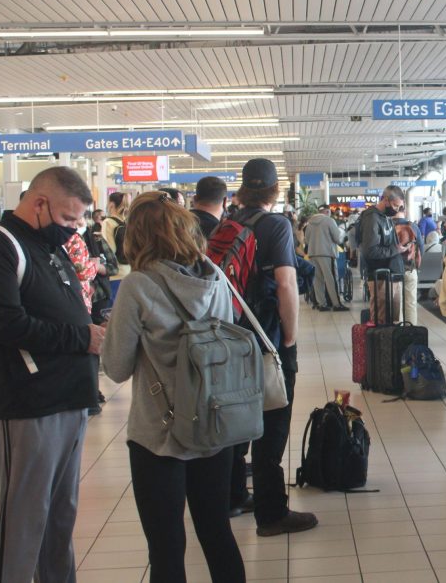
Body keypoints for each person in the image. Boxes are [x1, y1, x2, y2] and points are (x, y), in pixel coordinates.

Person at [101, 192, 246, 583]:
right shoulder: (215, 278)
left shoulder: (138, 286)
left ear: (138, 237)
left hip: (158, 434)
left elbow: (115, 367)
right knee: (217, 533)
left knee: (166, 547)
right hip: (214, 426)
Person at [0, 167, 105, 583]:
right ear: (39, 204)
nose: (74, 228)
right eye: (68, 219)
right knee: (26, 515)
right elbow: (6, 325)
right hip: (30, 399)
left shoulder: (50, 245)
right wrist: (81, 338)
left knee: (61, 512)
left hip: (71, 395)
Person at [225, 158, 315, 536]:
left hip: (229, 339)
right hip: (265, 339)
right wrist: (289, 343)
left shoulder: (228, 224)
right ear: (275, 190)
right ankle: (272, 512)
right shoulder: (275, 225)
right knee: (272, 422)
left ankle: (232, 497)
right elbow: (286, 285)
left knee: (237, 424)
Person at [359, 186, 411, 324]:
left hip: (393, 274)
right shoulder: (372, 218)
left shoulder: (386, 217)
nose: (396, 210)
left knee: (394, 320)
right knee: (381, 321)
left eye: (399, 207)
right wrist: (396, 249)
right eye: (395, 205)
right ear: (386, 200)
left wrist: (400, 248)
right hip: (380, 277)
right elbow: (370, 250)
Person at [305, 204, 348, 312]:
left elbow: (306, 240)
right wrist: (342, 233)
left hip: (313, 254)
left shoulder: (310, 222)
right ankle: (337, 304)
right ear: (327, 211)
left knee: (317, 280)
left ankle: (321, 304)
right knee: (331, 279)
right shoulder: (329, 221)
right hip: (327, 254)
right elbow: (338, 238)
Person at [63, 214, 99, 315]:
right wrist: (95, 264)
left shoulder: (56, 235)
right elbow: (82, 272)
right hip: (78, 294)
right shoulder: (74, 239)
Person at [394, 205, 424, 325]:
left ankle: (399, 334)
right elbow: (421, 248)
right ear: (404, 211)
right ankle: (411, 333)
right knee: (411, 303)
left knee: (397, 304)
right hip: (410, 269)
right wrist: (416, 266)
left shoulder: (387, 226)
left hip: (393, 271)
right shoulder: (413, 227)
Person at [102, 191, 131, 298]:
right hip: (129, 271)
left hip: (116, 274)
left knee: (112, 311)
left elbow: (110, 250)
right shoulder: (127, 222)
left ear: (111, 205)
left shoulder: (108, 222)